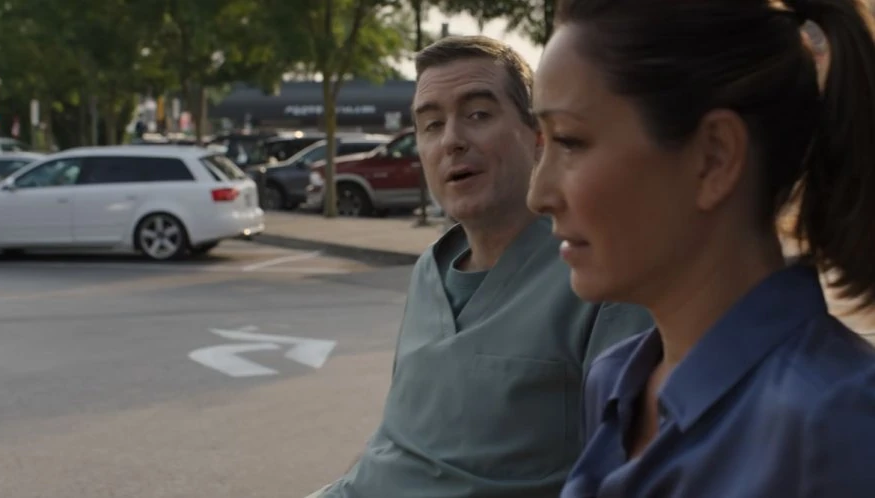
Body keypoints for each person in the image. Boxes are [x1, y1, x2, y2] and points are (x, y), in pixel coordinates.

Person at [527, 0, 875, 496]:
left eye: (569, 141)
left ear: (714, 157)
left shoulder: (840, 425)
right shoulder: (613, 381)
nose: (538, 195)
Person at [314, 35, 652, 498]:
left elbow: (628, 472)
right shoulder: (428, 273)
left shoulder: (599, 277)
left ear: (538, 137)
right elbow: (398, 440)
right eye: (431, 125)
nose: (452, 140)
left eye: (477, 115)